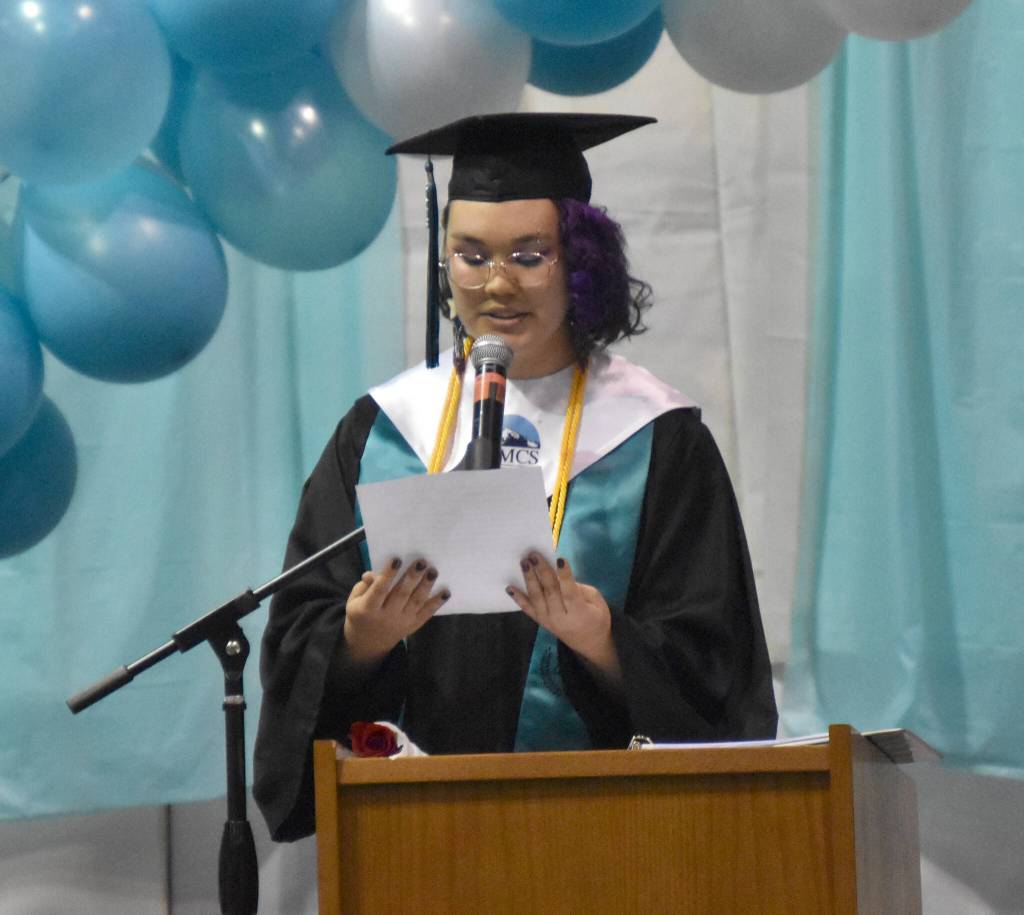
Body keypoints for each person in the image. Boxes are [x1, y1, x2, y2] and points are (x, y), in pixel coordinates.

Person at [253, 113, 778, 842]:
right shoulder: (384, 429)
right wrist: (359, 638)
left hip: (605, 835)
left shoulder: (654, 437)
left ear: (580, 260)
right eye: (470, 256)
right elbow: (299, 631)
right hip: (417, 833)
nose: (496, 284)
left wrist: (603, 640)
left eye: (529, 255)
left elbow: (716, 661)